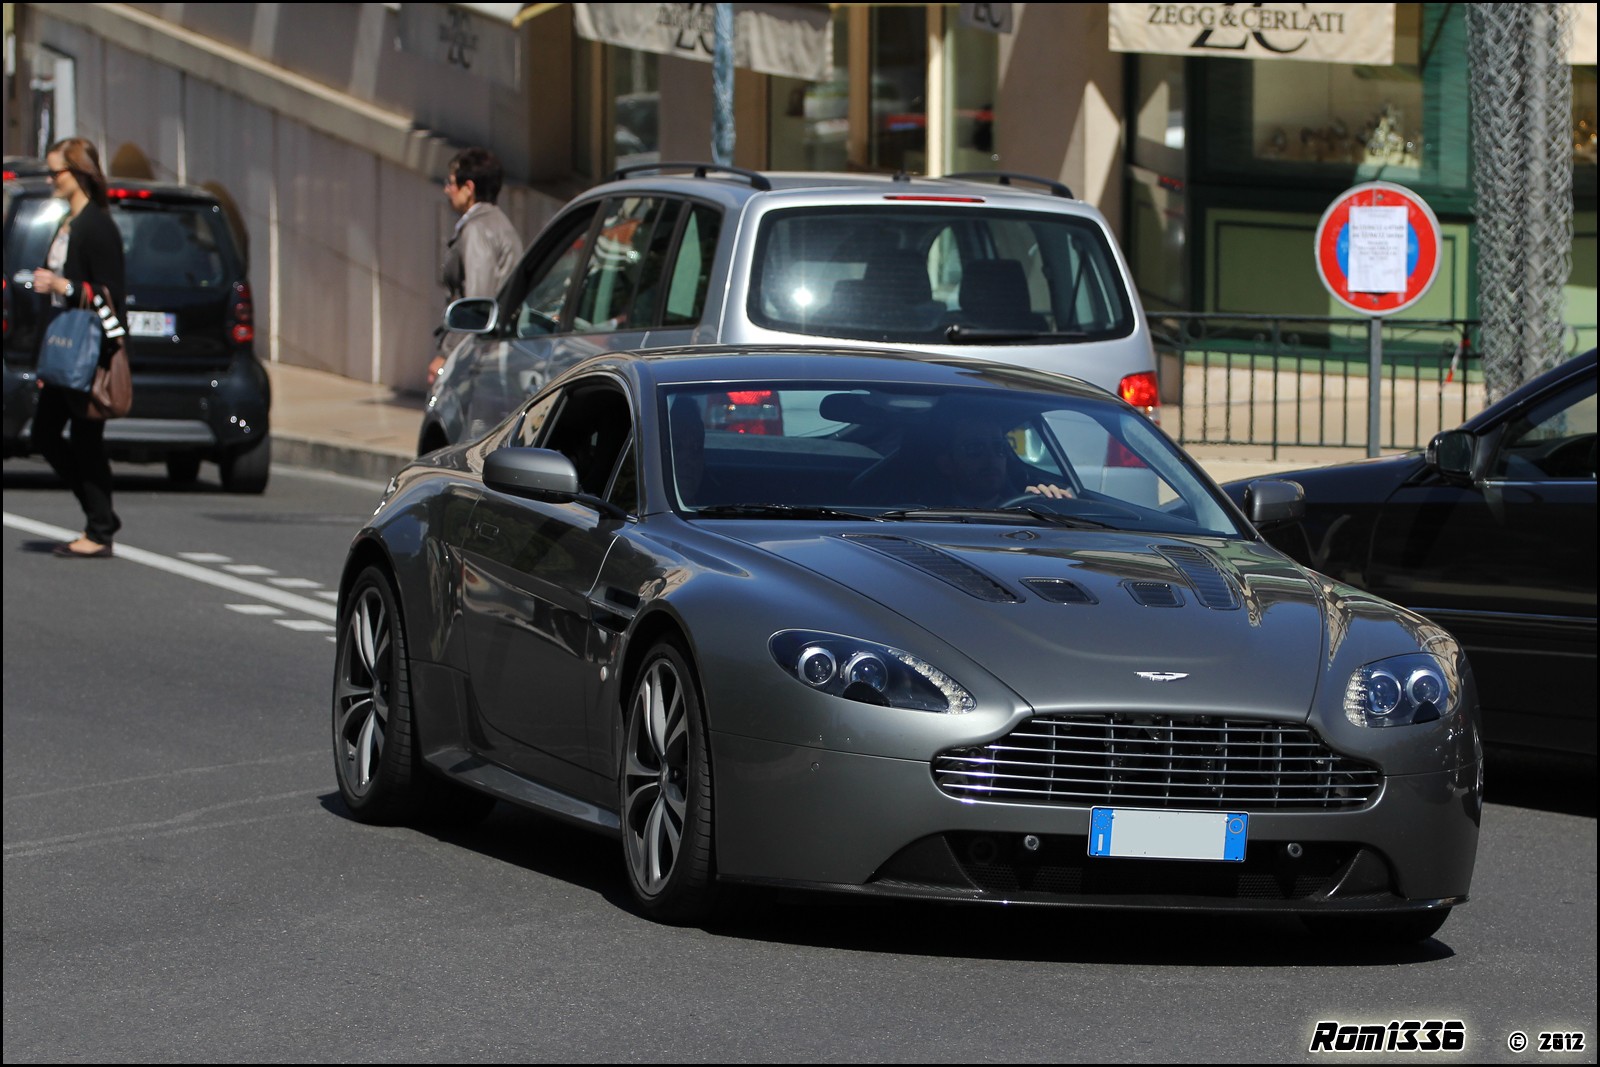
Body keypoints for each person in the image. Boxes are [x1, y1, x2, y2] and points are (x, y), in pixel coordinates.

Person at [31, 137, 126, 558]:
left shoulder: (97, 226)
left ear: (80, 172)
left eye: (57, 172)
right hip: (67, 350)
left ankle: (100, 530)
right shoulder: (68, 222)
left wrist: (63, 286)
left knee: (86, 440)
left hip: (91, 353)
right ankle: (98, 516)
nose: (52, 179)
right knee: (46, 435)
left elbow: (111, 294)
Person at [430, 146, 521, 386]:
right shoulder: (500, 224)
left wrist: (446, 355)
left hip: (477, 362)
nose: (447, 190)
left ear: (468, 188)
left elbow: (476, 305)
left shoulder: (477, 230)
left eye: (451, 183)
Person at [931, 416, 1074, 509]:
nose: (992, 457)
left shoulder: (1028, 512)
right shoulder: (925, 518)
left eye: (999, 447)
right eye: (974, 448)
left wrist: (1049, 505)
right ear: (946, 464)